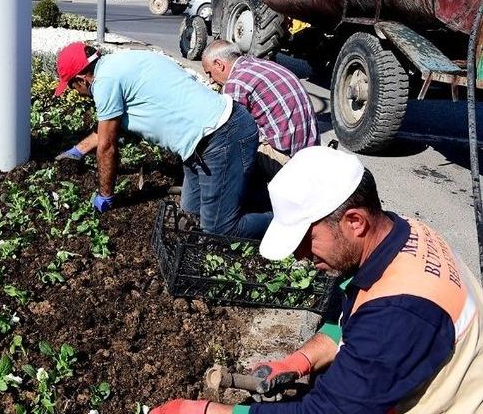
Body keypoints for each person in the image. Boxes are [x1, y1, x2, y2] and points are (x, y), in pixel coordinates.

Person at [151, 146, 483, 414]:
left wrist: (209, 410)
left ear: (355, 222)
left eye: (306, 240)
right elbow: (352, 319)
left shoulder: (398, 312)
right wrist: (299, 361)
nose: (300, 255)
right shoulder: (403, 231)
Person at [53, 42, 272, 239]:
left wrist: (105, 195)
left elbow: (107, 145)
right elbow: (108, 129)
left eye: (71, 86)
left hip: (222, 136)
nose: (75, 92)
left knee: (218, 228)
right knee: (191, 214)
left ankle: (287, 224)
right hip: (202, 142)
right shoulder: (122, 61)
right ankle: (246, 198)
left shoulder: (104, 82)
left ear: (81, 79)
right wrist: (77, 151)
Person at [201, 40, 319, 178]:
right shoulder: (259, 64)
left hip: (287, 161)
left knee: (226, 148)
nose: (210, 80)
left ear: (219, 64)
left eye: (209, 73)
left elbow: (229, 133)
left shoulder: (235, 83)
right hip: (309, 151)